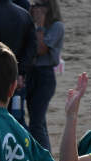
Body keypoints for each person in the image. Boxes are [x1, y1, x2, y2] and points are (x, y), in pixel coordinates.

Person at [25, 0, 64, 151]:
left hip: (45, 75)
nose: (34, 8)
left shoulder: (56, 26)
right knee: (38, 120)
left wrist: (40, 25)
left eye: (38, 5)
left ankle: (44, 157)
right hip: (30, 73)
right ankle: (42, 152)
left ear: (48, 8)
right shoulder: (31, 26)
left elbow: (41, 49)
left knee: (36, 122)